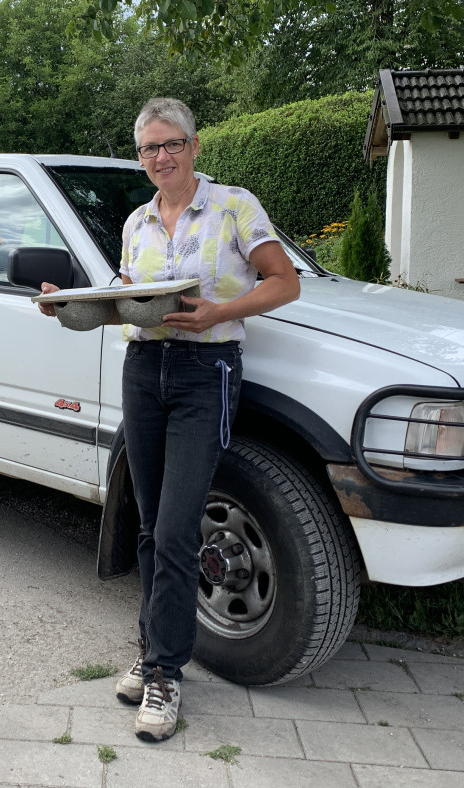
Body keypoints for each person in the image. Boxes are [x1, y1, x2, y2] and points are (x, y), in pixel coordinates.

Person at [40, 97, 300, 741]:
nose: (160, 157)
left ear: (194, 146)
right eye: (149, 149)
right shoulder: (136, 221)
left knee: (180, 527)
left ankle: (165, 675)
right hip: (144, 371)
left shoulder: (235, 205)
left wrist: (217, 312)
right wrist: (67, 306)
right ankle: (154, 647)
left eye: (171, 144)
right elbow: (127, 299)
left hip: (203, 375)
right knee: (153, 525)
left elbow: (285, 282)